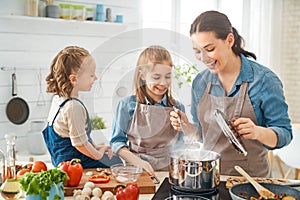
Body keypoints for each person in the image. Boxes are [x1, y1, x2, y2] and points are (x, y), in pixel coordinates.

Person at [170, 10, 292, 177]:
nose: (204, 58)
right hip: (209, 178)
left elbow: (285, 134)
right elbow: (202, 136)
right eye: (198, 51)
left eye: (210, 49)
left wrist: (257, 132)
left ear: (229, 40)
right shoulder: (200, 82)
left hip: (251, 181)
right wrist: (186, 126)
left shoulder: (264, 80)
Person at [110, 45, 186, 175]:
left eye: (167, 76)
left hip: (169, 171)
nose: (163, 83)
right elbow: (116, 143)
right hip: (136, 169)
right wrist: (139, 163)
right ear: (143, 75)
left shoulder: (177, 107)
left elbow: (181, 145)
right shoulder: (126, 105)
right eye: (156, 77)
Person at [43, 46, 122, 169]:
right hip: (74, 164)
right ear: (74, 79)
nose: (95, 78)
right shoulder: (73, 107)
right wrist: (99, 154)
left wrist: (96, 147)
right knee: (116, 162)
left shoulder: (58, 100)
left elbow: (78, 136)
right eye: (91, 75)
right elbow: (80, 144)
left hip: (60, 162)